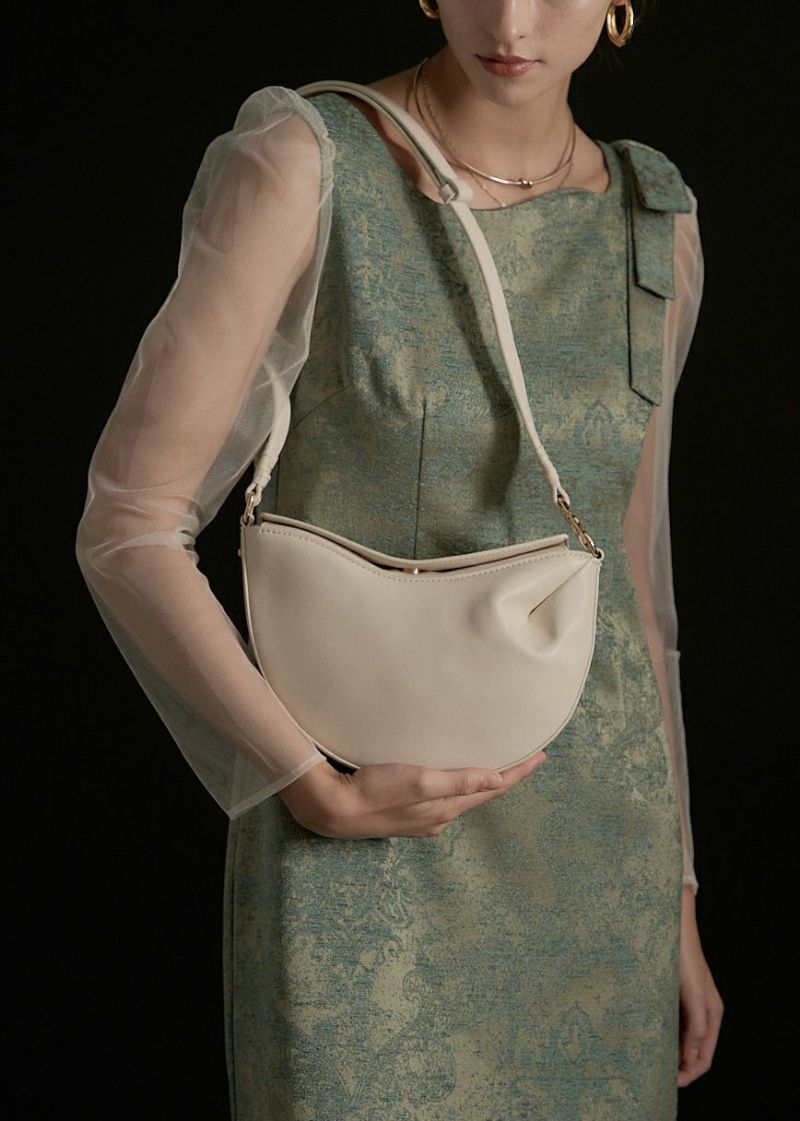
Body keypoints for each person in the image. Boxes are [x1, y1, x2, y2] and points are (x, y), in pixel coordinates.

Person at [76, 1, 724, 1116]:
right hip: (367, 832)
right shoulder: (306, 161)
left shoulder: (654, 217)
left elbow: (633, 587)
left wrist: (678, 897)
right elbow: (129, 520)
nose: (511, 21)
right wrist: (308, 784)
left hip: (599, 854)